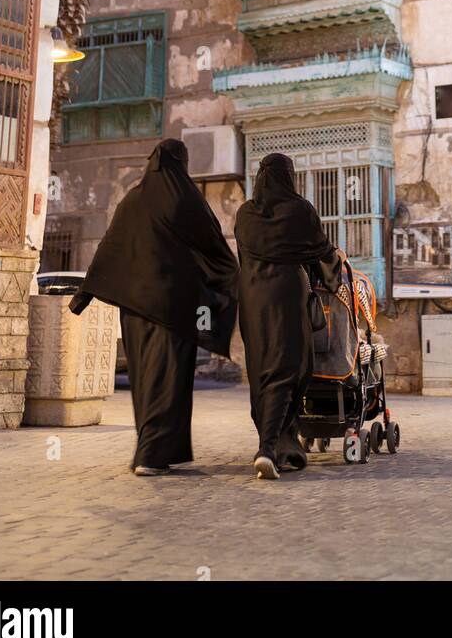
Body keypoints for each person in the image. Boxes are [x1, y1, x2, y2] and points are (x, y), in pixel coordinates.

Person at [69, 138, 239, 477]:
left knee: (146, 379)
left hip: (134, 311)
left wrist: (83, 294)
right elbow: (215, 247)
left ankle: (154, 451)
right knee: (169, 379)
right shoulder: (187, 200)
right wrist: (235, 281)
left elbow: (110, 247)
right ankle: (150, 453)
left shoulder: (131, 201)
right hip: (173, 310)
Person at [235, 152, 342, 480]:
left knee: (261, 372)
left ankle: (281, 445)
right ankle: (268, 448)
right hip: (286, 295)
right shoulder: (300, 211)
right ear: (289, 177)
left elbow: (243, 256)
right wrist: (335, 274)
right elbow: (323, 252)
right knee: (289, 369)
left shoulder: (245, 214)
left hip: (252, 298)